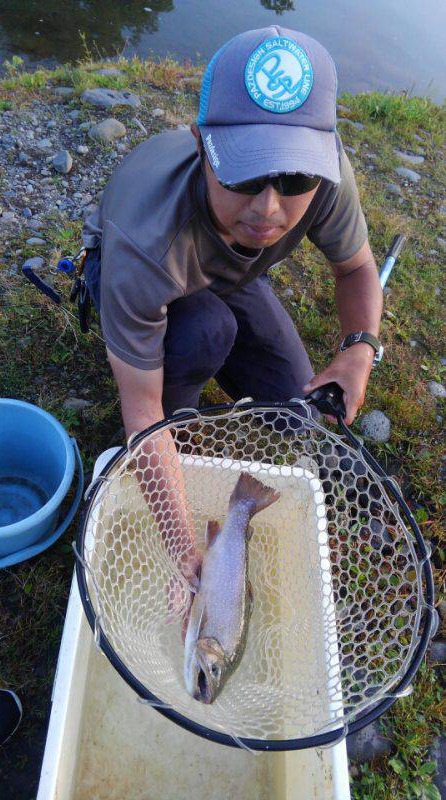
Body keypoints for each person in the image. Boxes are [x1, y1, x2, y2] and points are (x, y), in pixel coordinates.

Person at [82, 26, 383, 592]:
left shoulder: (326, 180)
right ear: (202, 145)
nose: (268, 208)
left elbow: (357, 270)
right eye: (244, 173)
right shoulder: (146, 242)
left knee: (295, 405)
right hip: (143, 260)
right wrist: (185, 548)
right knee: (204, 333)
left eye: (293, 176)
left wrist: (359, 347)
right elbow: (141, 417)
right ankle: (186, 425)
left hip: (225, 267)